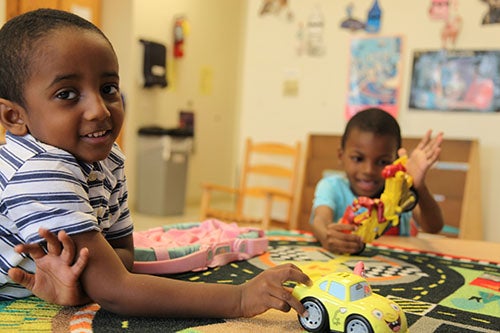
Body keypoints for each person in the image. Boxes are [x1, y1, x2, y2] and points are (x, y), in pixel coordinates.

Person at [0, 9, 311, 318]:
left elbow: (124, 256)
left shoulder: (108, 157)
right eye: (67, 94)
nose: (99, 110)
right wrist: (240, 298)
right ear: (14, 117)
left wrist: (92, 279)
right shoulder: (41, 171)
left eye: (108, 89)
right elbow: (118, 290)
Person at [311, 108, 444, 254]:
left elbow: (433, 227)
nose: (369, 170)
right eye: (358, 158)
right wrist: (326, 236)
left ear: (396, 161)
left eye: (382, 161)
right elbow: (320, 220)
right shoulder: (332, 186)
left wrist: (419, 187)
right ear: (340, 155)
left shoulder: (403, 193)